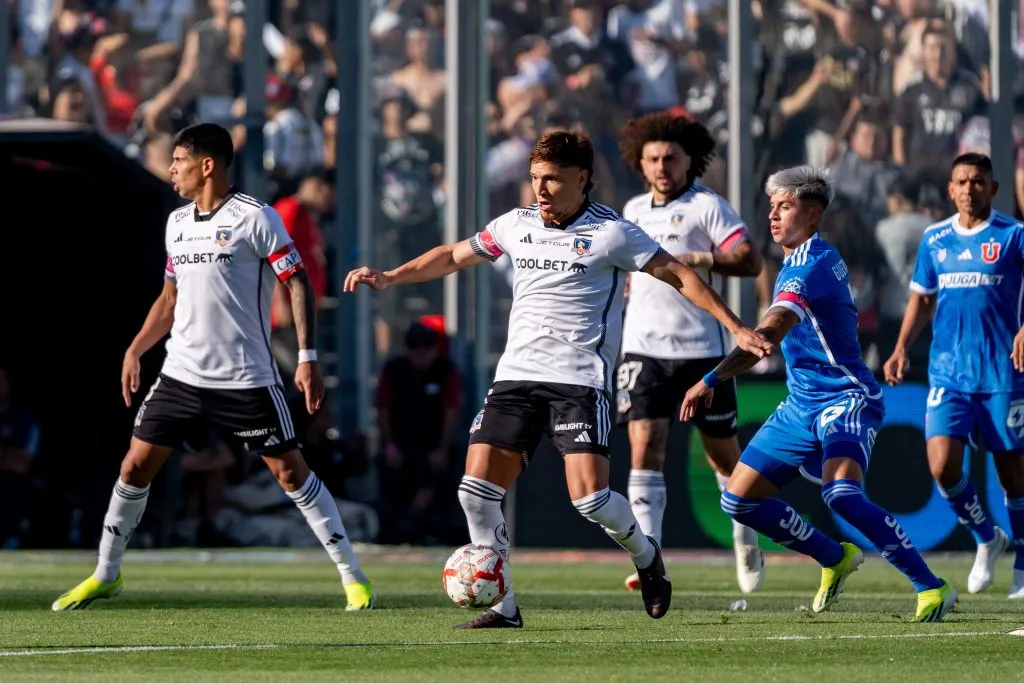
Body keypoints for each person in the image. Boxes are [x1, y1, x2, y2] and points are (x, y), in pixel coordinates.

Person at [345, 131, 773, 629]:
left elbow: (680, 275)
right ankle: (503, 606)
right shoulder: (516, 224)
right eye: (534, 179)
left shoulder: (613, 232)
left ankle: (647, 555)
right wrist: (392, 276)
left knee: (590, 499)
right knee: (474, 490)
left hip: (578, 382)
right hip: (516, 378)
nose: (540, 190)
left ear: (582, 179)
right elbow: (455, 255)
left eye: (551, 180)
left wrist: (737, 326)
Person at [52, 123, 374, 612]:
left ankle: (353, 577)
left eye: (179, 160)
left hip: (246, 378)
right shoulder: (176, 222)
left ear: (207, 165)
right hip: (181, 375)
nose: (171, 169)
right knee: (134, 466)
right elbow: (170, 297)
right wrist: (136, 348)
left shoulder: (256, 218)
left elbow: (298, 283)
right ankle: (105, 574)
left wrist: (307, 358)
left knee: (291, 474)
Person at [680, 165, 957, 622]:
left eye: (784, 207)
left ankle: (932, 586)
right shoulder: (800, 258)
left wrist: (711, 378)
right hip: (800, 403)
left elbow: (770, 331)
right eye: (771, 207)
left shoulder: (811, 264)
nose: (772, 216)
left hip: (847, 398)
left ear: (812, 214)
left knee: (842, 494)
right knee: (737, 499)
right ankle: (835, 556)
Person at [615, 112, 767, 594]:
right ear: (641, 164)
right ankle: (651, 556)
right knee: (645, 448)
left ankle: (744, 533)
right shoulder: (632, 209)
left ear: (688, 161)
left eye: (671, 158)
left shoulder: (708, 207)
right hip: (642, 349)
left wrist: (705, 259)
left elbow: (750, 260)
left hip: (702, 353)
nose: (662, 166)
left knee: (723, 459)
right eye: (653, 158)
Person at [883, 153, 1024, 599]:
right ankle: (986, 536)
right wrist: (902, 346)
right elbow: (922, 299)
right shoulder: (935, 238)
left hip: (1002, 371)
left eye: (978, 181)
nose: (969, 189)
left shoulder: (1013, 236)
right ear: (950, 189)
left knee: (1011, 474)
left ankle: (1021, 557)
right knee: (943, 466)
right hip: (948, 373)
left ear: (993, 187)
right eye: (961, 181)